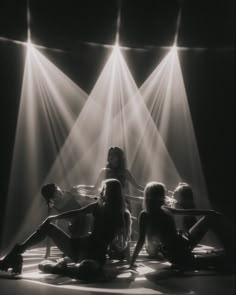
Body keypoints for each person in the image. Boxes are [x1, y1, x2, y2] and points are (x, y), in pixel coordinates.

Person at [0, 179, 131, 278]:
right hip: (78, 247)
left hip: (95, 256)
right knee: (49, 228)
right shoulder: (98, 207)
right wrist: (53, 217)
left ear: (109, 193)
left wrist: (127, 259)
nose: (101, 192)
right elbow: (77, 212)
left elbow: (122, 242)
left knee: (86, 270)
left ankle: (56, 268)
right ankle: (18, 252)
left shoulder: (120, 215)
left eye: (103, 190)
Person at [130, 181, 235, 271]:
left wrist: (209, 212)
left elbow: (188, 212)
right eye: (162, 194)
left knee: (211, 218)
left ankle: (230, 246)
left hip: (183, 242)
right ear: (155, 197)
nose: (165, 196)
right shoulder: (145, 215)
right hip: (177, 253)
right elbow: (141, 240)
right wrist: (132, 262)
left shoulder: (164, 209)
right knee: (220, 259)